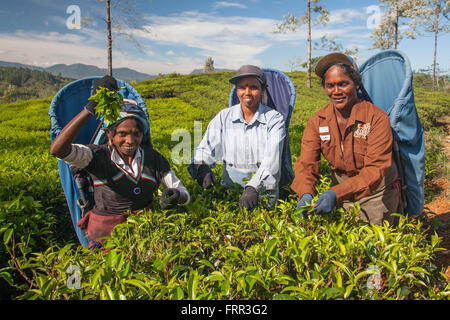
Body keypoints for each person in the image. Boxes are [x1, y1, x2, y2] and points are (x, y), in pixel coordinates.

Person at [50, 75, 190, 248]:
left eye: (136, 134)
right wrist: (89, 109)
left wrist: (177, 196)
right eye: (122, 134)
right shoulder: (95, 156)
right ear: (109, 134)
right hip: (105, 239)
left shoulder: (153, 158)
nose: (130, 140)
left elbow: (181, 190)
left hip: (144, 235)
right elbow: (58, 150)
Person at [291, 53, 400, 225]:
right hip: (340, 189)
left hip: (376, 191)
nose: (336, 92)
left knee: (376, 242)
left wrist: (335, 194)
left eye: (343, 84)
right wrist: (305, 192)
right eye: (330, 86)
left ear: (356, 84)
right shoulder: (317, 120)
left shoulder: (376, 118)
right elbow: (306, 163)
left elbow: (375, 169)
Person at [188, 65, 286, 210]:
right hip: (230, 193)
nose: (247, 92)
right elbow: (206, 147)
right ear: (237, 90)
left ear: (263, 89)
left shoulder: (274, 119)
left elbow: (272, 161)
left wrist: (253, 187)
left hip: (263, 194)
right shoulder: (224, 117)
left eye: (253, 87)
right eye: (242, 87)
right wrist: (202, 167)